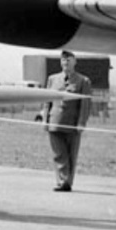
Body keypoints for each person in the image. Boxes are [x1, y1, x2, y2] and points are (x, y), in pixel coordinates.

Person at [39, 50, 93, 192]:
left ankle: (67, 182)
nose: (65, 62)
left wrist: (82, 122)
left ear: (75, 62)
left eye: (69, 60)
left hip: (73, 124)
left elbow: (85, 104)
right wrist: (45, 120)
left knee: (71, 154)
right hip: (54, 122)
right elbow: (47, 100)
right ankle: (62, 182)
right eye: (63, 60)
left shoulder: (83, 81)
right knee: (58, 154)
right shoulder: (52, 79)